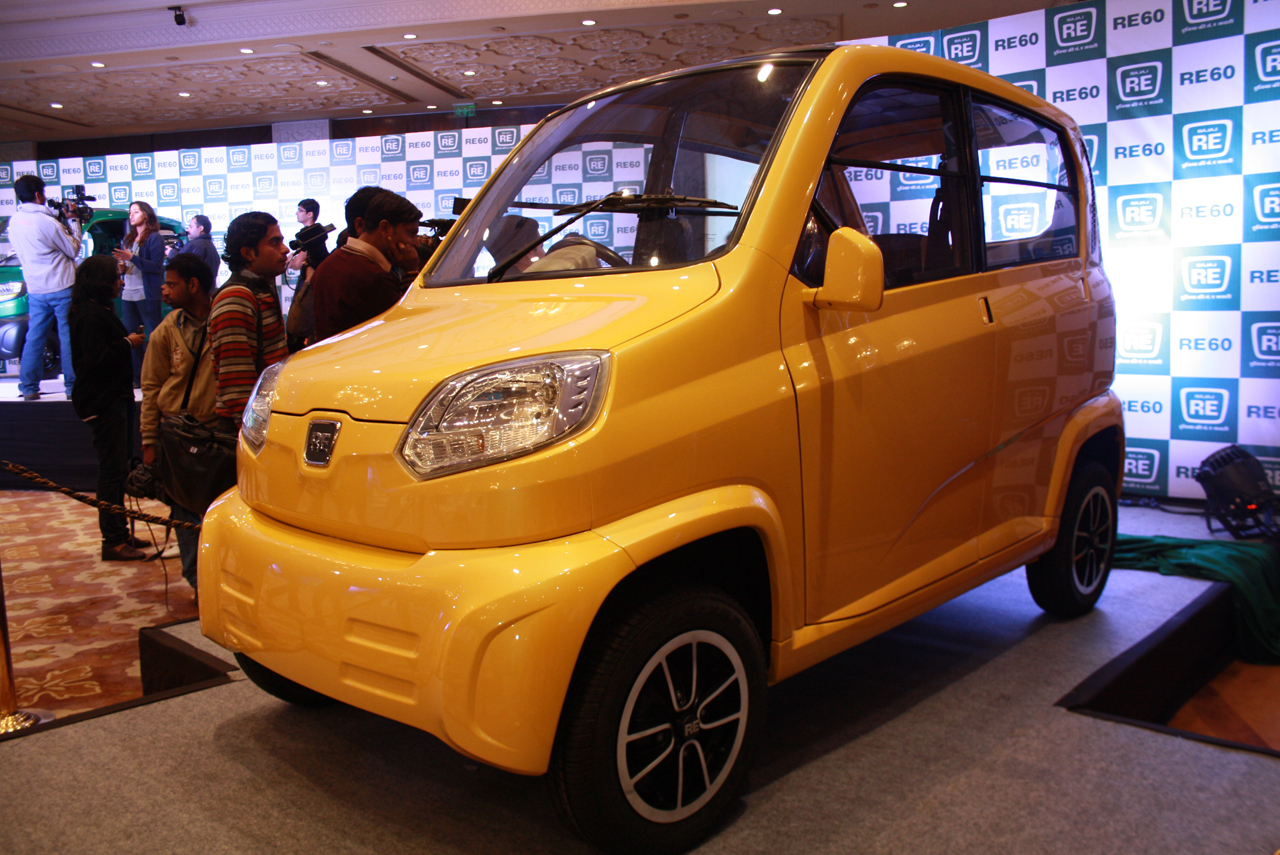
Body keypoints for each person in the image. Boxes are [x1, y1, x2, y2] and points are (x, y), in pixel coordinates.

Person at [140, 253, 216, 592]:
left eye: (171, 284)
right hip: (177, 434)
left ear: (193, 285)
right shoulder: (167, 329)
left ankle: (220, 578)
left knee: (219, 510)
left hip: (217, 433)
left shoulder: (225, 319)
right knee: (183, 510)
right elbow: (151, 386)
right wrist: (149, 440)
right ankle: (198, 582)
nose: (164, 289)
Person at [68, 255, 148, 562]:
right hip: (103, 400)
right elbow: (95, 360)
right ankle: (112, 540)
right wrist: (128, 343)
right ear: (101, 281)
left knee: (119, 469)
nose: (121, 282)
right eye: (116, 277)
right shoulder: (89, 314)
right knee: (112, 472)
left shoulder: (97, 309)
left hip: (115, 397)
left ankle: (120, 532)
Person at [209, 211, 289, 430]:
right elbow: (236, 386)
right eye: (274, 242)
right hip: (248, 426)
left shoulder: (260, 289)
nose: (285, 249)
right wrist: (255, 434)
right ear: (248, 253)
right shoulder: (236, 298)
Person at [310, 190, 422, 342]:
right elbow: (409, 328)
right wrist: (411, 272)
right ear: (385, 228)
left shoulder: (328, 264)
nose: (416, 243)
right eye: (411, 233)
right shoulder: (373, 277)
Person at [8, 174, 79, 401]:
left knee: (35, 338)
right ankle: (72, 388)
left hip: (37, 289)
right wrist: (74, 222)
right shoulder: (47, 222)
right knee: (68, 337)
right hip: (62, 286)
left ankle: (29, 387)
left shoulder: (14, 221)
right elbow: (73, 250)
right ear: (39, 194)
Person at [111, 200, 166, 387]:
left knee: (155, 335)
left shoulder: (155, 238)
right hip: (128, 293)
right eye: (130, 212)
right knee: (131, 336)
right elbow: (130, 266)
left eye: (136, 211)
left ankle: (159, 375)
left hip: (146, 293)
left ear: (146, 214)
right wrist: (122, 266)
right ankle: (136, 378)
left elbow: (156, 267)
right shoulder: (129, 239)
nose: (131, 215)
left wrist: (132, 258)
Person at [284, 199, 331, 352]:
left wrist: (294, 261)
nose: (297, 213)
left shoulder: (310, 238)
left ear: (310, 214)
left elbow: (295, 264)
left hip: (311, 285)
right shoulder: (308, 236)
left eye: (300, 210)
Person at [167, 214, 221, 283]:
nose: (188, 230)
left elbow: (180, 261)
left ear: (200, 228)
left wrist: (170, 252)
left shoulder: (194, 244)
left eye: (191, 227)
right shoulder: (211, 246)